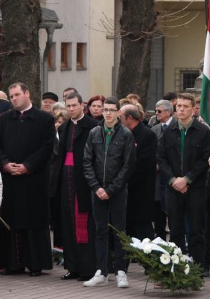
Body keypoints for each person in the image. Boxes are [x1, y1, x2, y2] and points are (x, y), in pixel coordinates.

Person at [0, 82, 56, 277]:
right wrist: (5, 164)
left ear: (27, 93)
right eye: (11, 96)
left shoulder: (45, 119)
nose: (13, 98)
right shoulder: (3, 120)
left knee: (33, 222)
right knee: (11, 221)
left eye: (16, 95)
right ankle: (13, 264)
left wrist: (27, 166)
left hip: (34, 180)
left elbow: (47, 147)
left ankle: (35, 264)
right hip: (10, 179)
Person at [82, 97, 135, 288]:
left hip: (117, 191)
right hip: (97, 190)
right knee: (100, 230)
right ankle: (101, 271)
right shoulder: (94, 133)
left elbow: (128, 166)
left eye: (112, 110)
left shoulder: (126, 134)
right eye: (105, 110)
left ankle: (121, 271)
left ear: (119, 112)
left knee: (119, 230)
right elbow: (87, 161)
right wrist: (96, 187)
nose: (108, 113)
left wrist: (111, 189)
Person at [157, 93, 210, 267]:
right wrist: (174, 180)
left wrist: (187, 179)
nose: (180, 109)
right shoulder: (169, 131)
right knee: (175, 230)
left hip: (195, 188)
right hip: (173, 188)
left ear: (193, 109)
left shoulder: (203, 131)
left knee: (196, 230)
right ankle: (178, 266)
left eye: (185, 106)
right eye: (178, 106)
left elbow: (205, 159)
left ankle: (198, 268)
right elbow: (161, 158)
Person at [56, 91, 99, 281]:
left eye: (74, 105)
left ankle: (87, 268)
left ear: (83, 106)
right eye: (68, 106)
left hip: (84, 180)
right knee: (67, 223)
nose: (71, 109)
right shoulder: (64, 127)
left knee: (83, 224)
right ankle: (72, 267)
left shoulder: (93, 126)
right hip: (66, 178)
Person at [120, 103, 157, 242]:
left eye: (121, 117)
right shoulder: (122, 133)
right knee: (126, 230)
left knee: (143, 232)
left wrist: (124, 179)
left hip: (141, 189)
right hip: (124, 190)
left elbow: (144, 163)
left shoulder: (148, 135)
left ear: (129, 118)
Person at [151, 99, 173, 240]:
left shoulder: (177, 126)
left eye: (159, 111)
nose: (156, 114)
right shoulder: (154, 129)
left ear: (168, 112)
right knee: (158, 214)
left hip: (172, 176)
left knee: (173, 215)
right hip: (158, 179)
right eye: (156, 111)